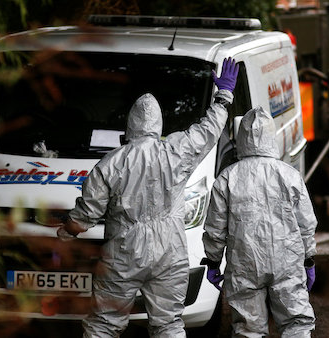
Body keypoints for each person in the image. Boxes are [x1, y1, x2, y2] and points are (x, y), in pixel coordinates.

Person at [57, 57, 239, 337]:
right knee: (168, 323)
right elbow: (207, 131)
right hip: (170, 251)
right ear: (158, 125)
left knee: (105, 324)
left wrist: (65, 231)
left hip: (124, 253)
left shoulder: (111, 163)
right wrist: (223, 97)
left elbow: (85, 217)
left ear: (129, 125)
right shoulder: (176, 151)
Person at [202, 106, 317, 337]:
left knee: (248, 329)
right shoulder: (289, 175)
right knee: (296, 323)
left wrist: (213, 262)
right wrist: (309, 258)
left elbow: (215, 228)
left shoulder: (227, 177)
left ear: (241, 137)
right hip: (287, 259)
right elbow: (306, 223)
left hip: (245, 262)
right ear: (271, 137)